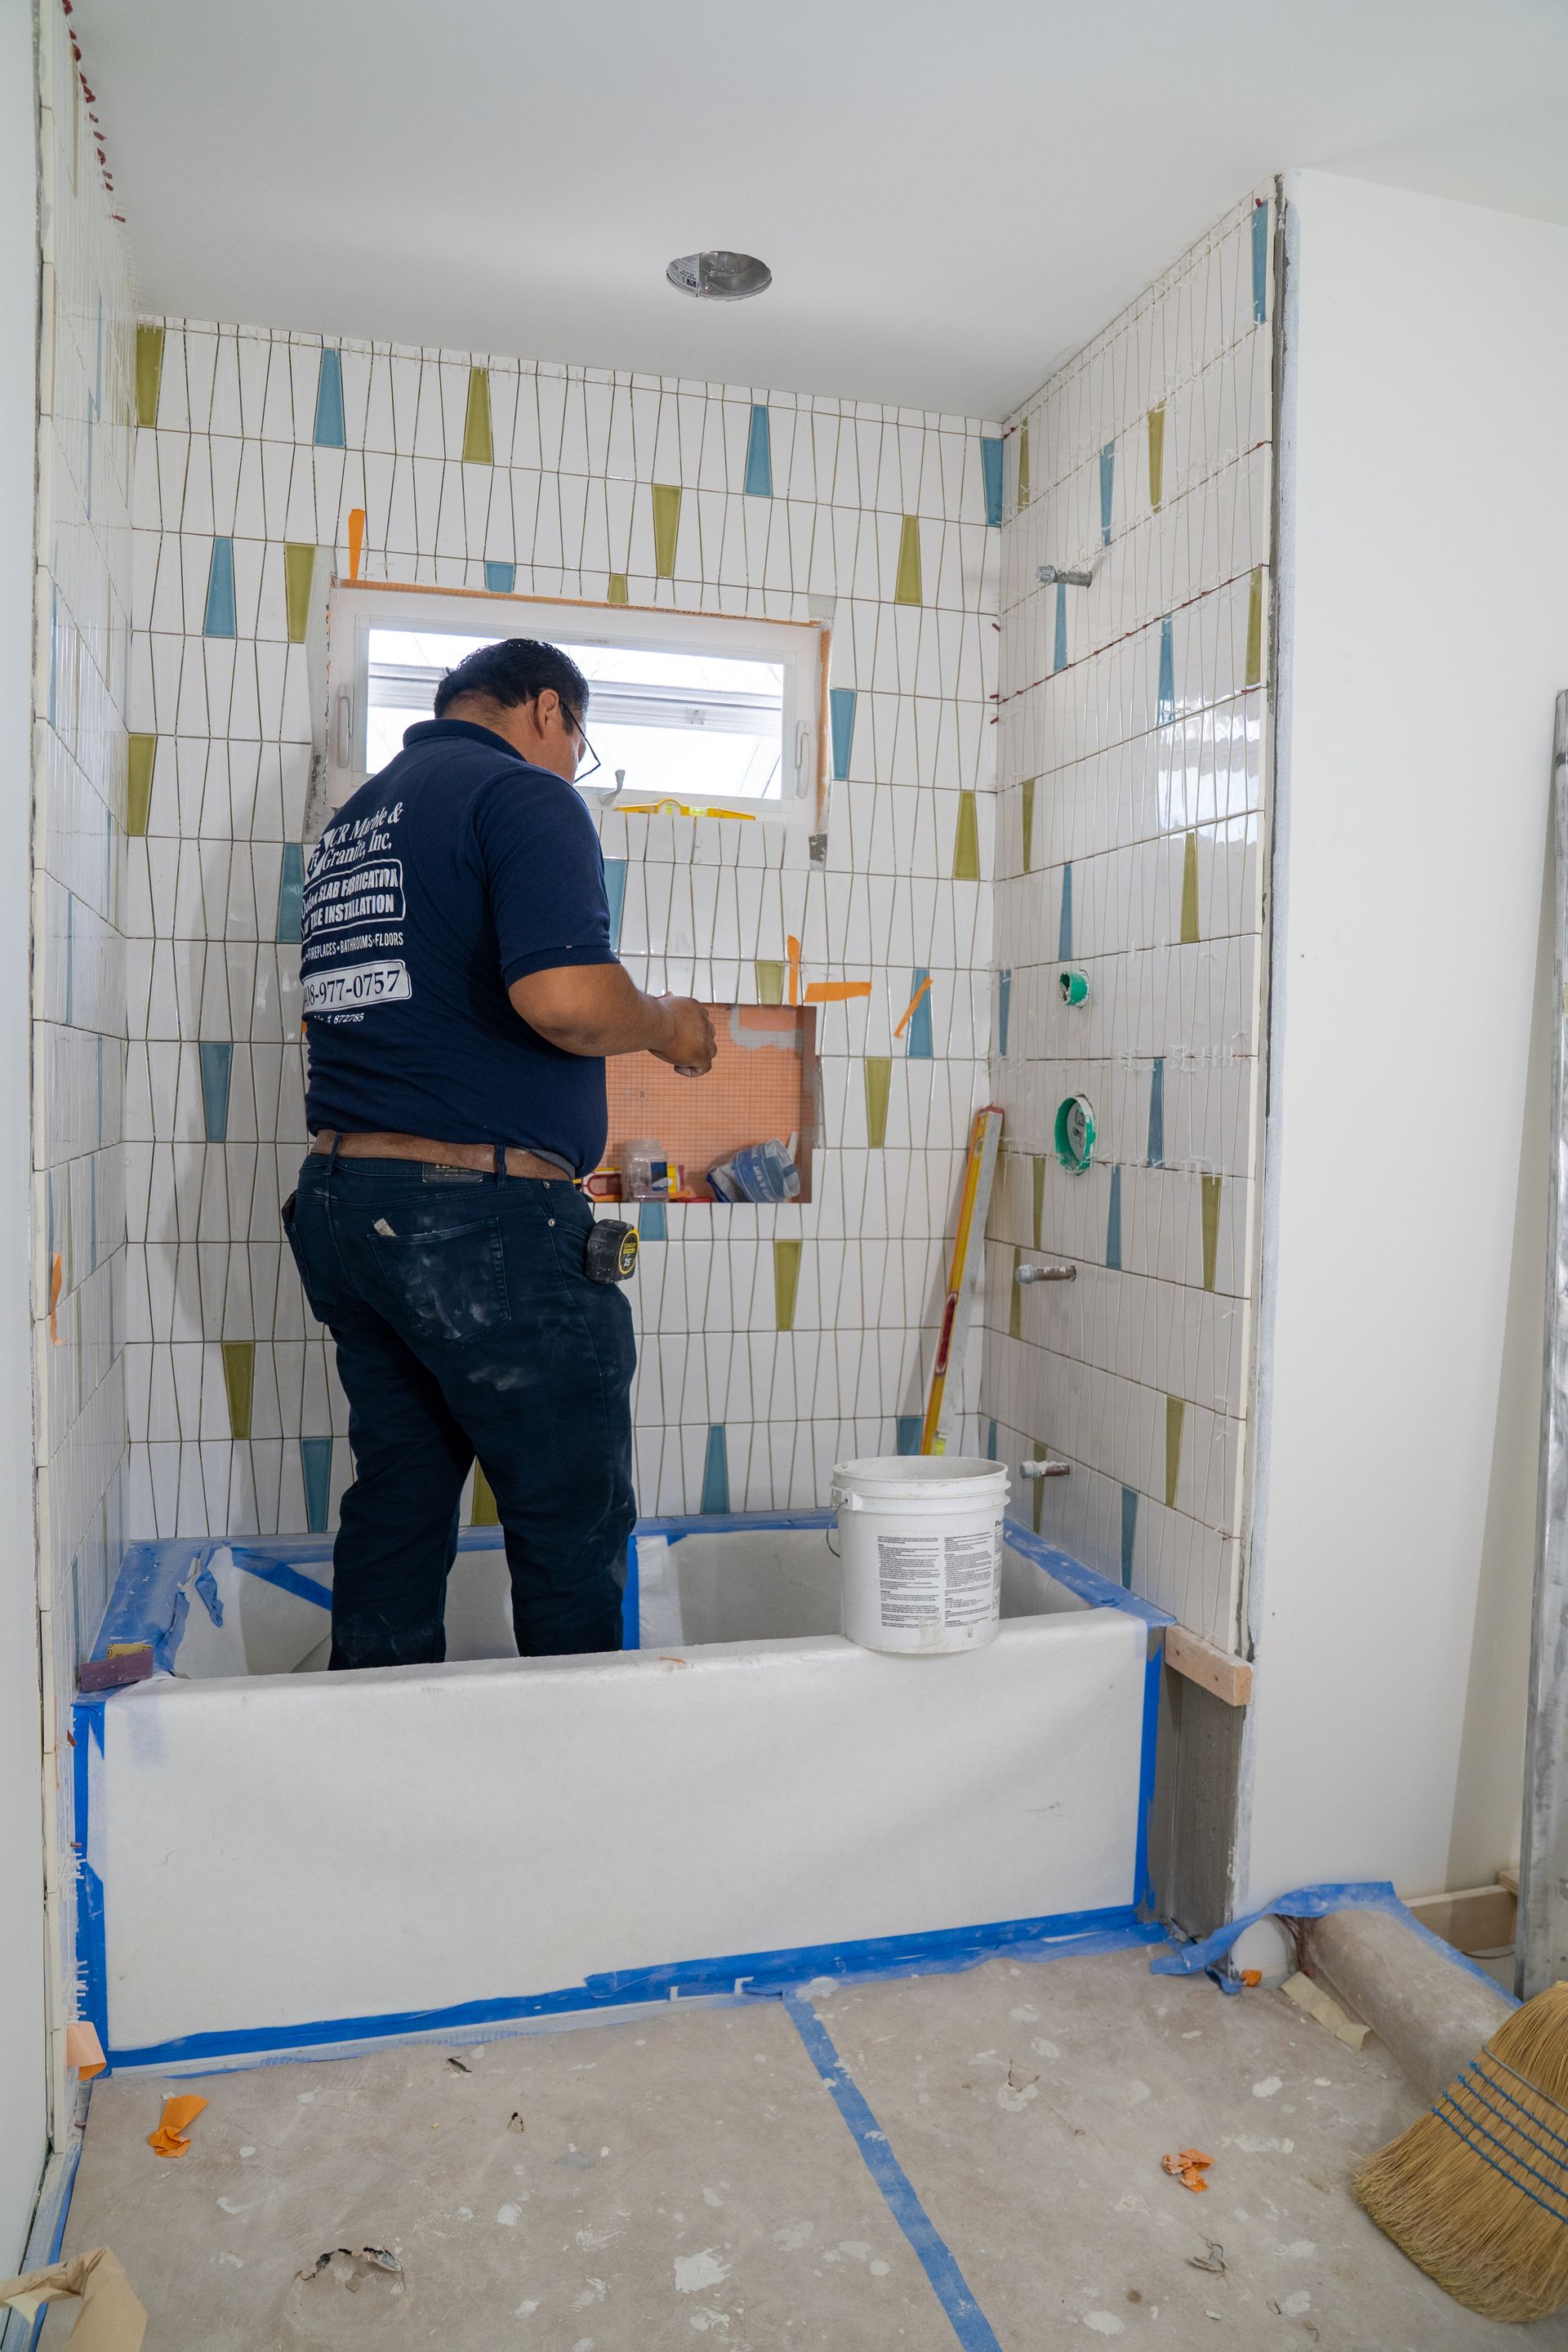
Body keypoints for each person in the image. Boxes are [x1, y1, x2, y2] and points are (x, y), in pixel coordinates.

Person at [283, 638, 716, 1669]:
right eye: (579, 742)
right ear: (548, 710)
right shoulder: (523, 795)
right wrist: (664, 1022)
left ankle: (375, 1774)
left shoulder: (356, 825)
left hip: (348, 1207)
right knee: (569, 1512)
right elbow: (564, 1000)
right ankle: (576, 1799)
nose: (573, 766)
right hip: (474, 1221)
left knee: (399, 1503)